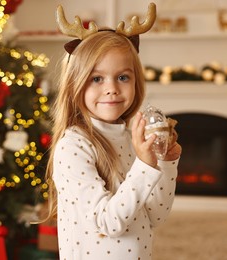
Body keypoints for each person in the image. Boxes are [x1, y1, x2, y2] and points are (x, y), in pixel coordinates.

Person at [44, 3, 182, 259]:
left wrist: (165, 163)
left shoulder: (131, 137)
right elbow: (109, 222)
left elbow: (156, 214)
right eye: (97, 79)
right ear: (76, 84)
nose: (112, 88)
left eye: (122, 77)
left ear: (136, 81)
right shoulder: (73, 145)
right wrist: (144, 164)